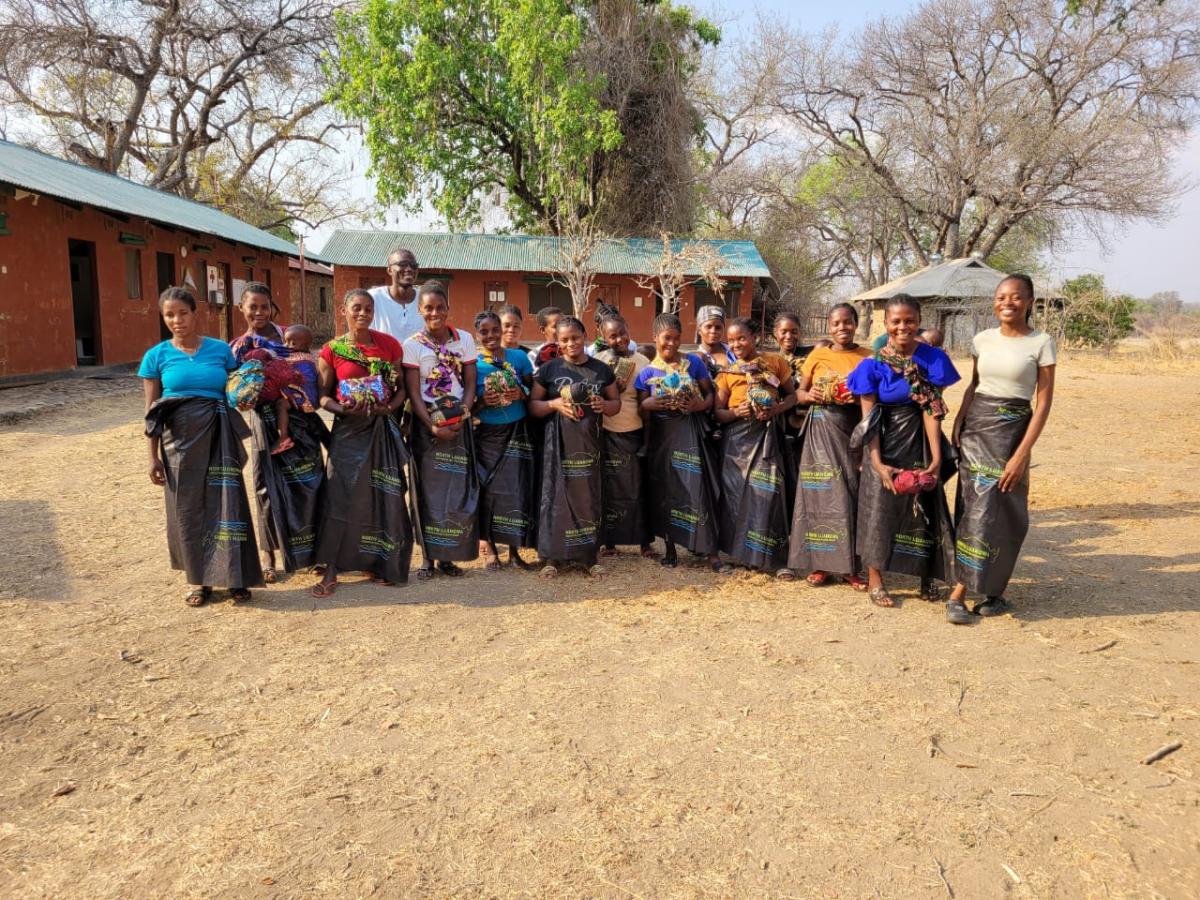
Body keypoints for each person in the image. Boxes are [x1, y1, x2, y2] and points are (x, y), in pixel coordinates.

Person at [141, 287, 262, 606]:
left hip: (220, 437)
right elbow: (151, 411)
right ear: (163, 317)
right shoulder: (156, 356)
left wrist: (252, 385)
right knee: (188, 510)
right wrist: (152, 457)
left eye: (183, 313)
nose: (177, 320)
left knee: (228, 503)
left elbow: (238, 390)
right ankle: (199, 582)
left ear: (196, 314)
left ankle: (236, 578)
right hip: (178, 444)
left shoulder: (221, 351)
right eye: (169, 314)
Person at [946, 274, 1056, 623]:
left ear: (1029, 302)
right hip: (976, 429)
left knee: (1002, 509)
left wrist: (1022, 453)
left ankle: (993, 590)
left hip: (1012, 434)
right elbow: (975, 385)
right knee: (972, 507)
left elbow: (1042, 403)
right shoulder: (983, 339)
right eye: (1001, 297)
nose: (1006, 303)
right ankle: (962, 590)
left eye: (1015, 297)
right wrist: (959, 422)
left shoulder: (1041, 343)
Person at [847, 295, 961, 610]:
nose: (902, 327)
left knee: (926, 507)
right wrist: (876, 463)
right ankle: (875, 579)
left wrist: (936, 458)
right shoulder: (872, 365)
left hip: (921, 440)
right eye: (895, 321)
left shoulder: (934, 360)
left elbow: (931, 411)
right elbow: (869, 418)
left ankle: (927, 576)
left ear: (918, 321)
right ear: (886, 324)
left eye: (909, 320)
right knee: (878, 510)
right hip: (882, 441)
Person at [311, 289, 413, 597]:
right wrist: (342, 409)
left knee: (384, 496)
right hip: (347, 431)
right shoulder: (332, 350)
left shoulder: (388, 346)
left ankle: (381, 562)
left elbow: (401, 390)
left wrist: (388, 408)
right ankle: (331, 569)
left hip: (381, 428)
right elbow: (323, 396)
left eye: (368, 308)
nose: (362, 313)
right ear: (344, 310)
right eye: (356, 308)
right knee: (339, 497)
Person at [228, 283, 327, 581]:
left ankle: (312, 553)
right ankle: (268, 553)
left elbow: (311, 370)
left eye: (264, 306)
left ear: (272, 307)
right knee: (265, 486)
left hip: (301, 421)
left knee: (308, 483)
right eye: (252, 307)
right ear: (241, 309)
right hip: (264, 420)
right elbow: (237, 389)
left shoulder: (292, 335)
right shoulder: (238, 347)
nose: (258, 312)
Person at [786, 303, 872, 589]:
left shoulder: (867, 357)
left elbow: (876, 399)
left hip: (854, 428)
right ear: (829, 327)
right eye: (836, 323)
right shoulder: (818, 355)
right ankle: (820, 565)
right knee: (820, 497)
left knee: (850, 495)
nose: (842, 328)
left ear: (856, 324)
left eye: (847, 322)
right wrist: (813, 395)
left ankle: (850, 568)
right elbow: (798, 393)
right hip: (820, 429)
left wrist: (855, 398)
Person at [529, 316, 620, 578]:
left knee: (588, 498)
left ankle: (590, 556)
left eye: (576, 338)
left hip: (589, 446)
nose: (571, 344)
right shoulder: (548, 370)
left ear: (585, 336)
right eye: (565, 339)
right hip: (557, 446)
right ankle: (551, 558)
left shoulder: (601, 370)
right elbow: (533, 406)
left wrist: (605, 405)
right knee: (555, 498)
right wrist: (553, 404)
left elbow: (616, 403)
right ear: (557, 342)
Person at [634, 313, 726, 572]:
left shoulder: (694, 363)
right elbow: (641, 413)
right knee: (667, 493)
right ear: (655, 338)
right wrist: (647, 404)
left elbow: (710, 396)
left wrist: (699, 405)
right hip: (662, 438)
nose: (672, 344)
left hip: (691, 433)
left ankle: (710, 553)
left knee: (699, 492)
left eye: (677, 338)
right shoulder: (646, 373)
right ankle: (671, 549)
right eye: (666, 338)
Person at [403, 281, 480, 579]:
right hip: (428, 426)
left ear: (448, 308)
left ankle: (450, 555)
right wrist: (432, 427)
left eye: (440, 307)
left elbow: (471, 382)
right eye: (428, 308)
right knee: (426, 492)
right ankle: (427, 558)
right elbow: (413, 392)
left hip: (459, 422)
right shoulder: (412, 345)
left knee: (456, 492)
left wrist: (464, 411)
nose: (435, 313)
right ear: (420, 311)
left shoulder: (464, 340)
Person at [713, 317, 798, 577]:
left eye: (742, 338)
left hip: (768, 438)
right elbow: (717, 413)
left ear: (755, 337)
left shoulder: (775, 363)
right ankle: (742, 555)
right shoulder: (728, 372)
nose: (737, 344)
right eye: (731, 340)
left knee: (770, 496)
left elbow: (792, 395)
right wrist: (736, 412)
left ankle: (775, 559)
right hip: (737, 443)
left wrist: (776, 409)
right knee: (737, 499)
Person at [472, 309, 537, 571]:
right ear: (477, 335)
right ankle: (490, 550)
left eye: (495, 330)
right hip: (488, 435)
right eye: (484, 332)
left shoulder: (519, 358)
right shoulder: (473, 365)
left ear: (502, 330)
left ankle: (514, 551)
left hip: (517, 432)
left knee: (516, 492)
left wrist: (521, 394)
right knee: (488, 493)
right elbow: (469, 407)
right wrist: (481, 402)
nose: (491, 335)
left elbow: (535, 391)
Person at [594, 313, 657, 560]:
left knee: (639, 489)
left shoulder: (642, 362)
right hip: (606, 432)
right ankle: (609, 541)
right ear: (603, 337)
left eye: (622, 333)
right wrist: (610, 392)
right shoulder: (597, 361)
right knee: (608, 489)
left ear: (629, 331)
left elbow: (647, 400)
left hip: (635, 432)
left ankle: (644, 542)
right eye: (612, 336)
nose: (619, 339)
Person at [368, 248, 424, 343]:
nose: (409, 269)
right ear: (389, 270)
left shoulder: (424, 299)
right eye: (402, 264)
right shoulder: (374, 298)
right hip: (383, 357)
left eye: (414, 266)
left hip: (418, 357)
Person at [694, 305, 734, 379]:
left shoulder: (734, 352)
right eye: (708, 327)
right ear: (699, 330)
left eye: (718, 327)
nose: (713, 331)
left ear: (723, 329)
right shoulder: (696, 359)